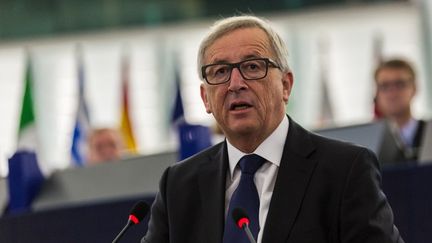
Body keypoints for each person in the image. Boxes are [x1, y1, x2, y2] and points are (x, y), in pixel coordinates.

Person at [142, 15, 403, 243]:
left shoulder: (344, 169)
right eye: (220, 71)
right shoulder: (178, 185)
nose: (235, 83)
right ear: (205, 98)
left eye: (252, 66)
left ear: (286, 85)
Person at [374, 59, 426, 161]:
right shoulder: (370, 143)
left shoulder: (429, 133)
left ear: (414, 88)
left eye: (400, 84)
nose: (392, 93)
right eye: (384, 86)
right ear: (377, 93)